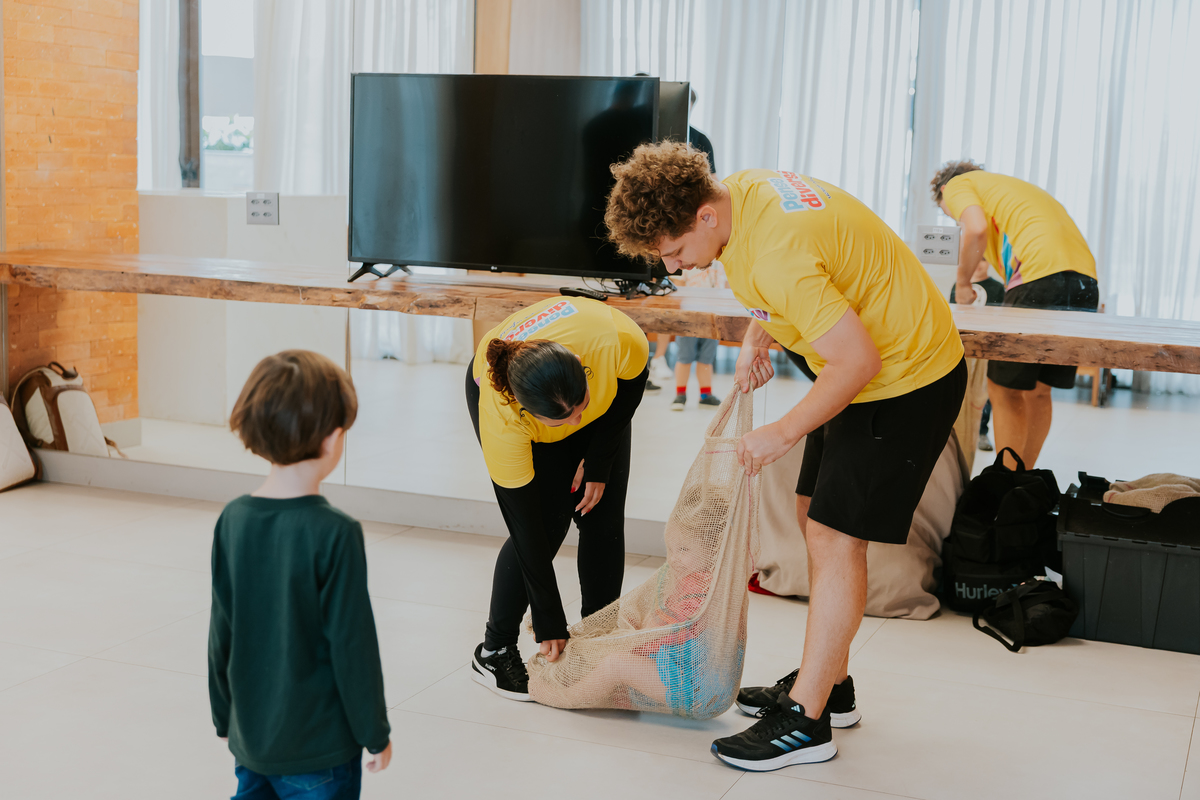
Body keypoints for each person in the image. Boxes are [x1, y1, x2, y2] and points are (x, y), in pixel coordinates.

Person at [605, 142, 966, 772]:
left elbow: (857, 358)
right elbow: (812, 277)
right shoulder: (743, 193)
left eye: (674, 251)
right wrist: (758, 334)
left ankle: (808, 722)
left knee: (833, 539)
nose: (676, 266)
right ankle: (834, 685)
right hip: (860, 368)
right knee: (809, 513)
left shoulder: (776, 254)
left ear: (704, 217)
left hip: (904, 381)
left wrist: (784, 432)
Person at [209, 350, 392, 799]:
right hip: (321, 750)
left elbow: (221, 630)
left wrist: (223, 715)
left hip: (251, 737)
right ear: (333, 439)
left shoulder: (233, 519)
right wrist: (375, 730)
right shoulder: (336, 533)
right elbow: (353, 646)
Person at [467, 296, 649, 701]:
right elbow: (524, 524)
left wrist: (598, 461)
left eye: (579, 407)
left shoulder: (617, 341)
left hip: (605, 406)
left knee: (602, 521)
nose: (576, 422)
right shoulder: (504, 419)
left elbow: (630, 391)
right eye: (563, 420)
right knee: (547, 526)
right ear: (530, 412)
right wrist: (549, 617)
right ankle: (494, 650)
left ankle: (597, 646)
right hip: (516, 404)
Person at [933, 161, 1099, 468]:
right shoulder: (1009, 189)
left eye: (950, 214)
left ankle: (1005, 481)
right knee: (1038, 390)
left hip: (1039, 279)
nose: (956, 220)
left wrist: (963, 283)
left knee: (1003, 387)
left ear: (944, 190)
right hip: (1085, 283)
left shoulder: (958, 185)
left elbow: (976, 228)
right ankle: (1023, 479)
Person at [949, 259, 1006, 451]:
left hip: (987, 347)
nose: (978, 263)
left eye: (982, 259)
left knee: (985, 392)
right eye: (976, 259)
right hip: (963, 346)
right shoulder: (958, 286)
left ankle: (982, 431)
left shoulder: (997, 287)